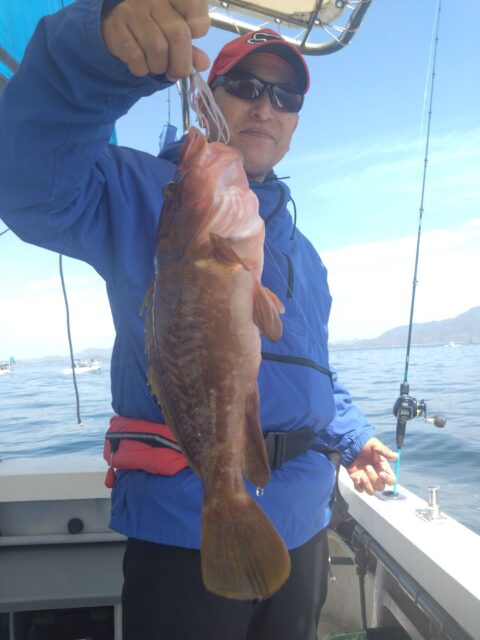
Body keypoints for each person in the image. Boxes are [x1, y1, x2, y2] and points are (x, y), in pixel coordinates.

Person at [0, 1, 398, 638]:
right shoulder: (148, 193)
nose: (265, 106)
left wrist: (353, 437)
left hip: (303, 521)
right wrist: (99, 54)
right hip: (185, 523)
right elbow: (26, 178)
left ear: (295, 122)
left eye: (285, 96)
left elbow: (311, 369)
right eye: (244, 86)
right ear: (205, 97)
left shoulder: (304, 254)